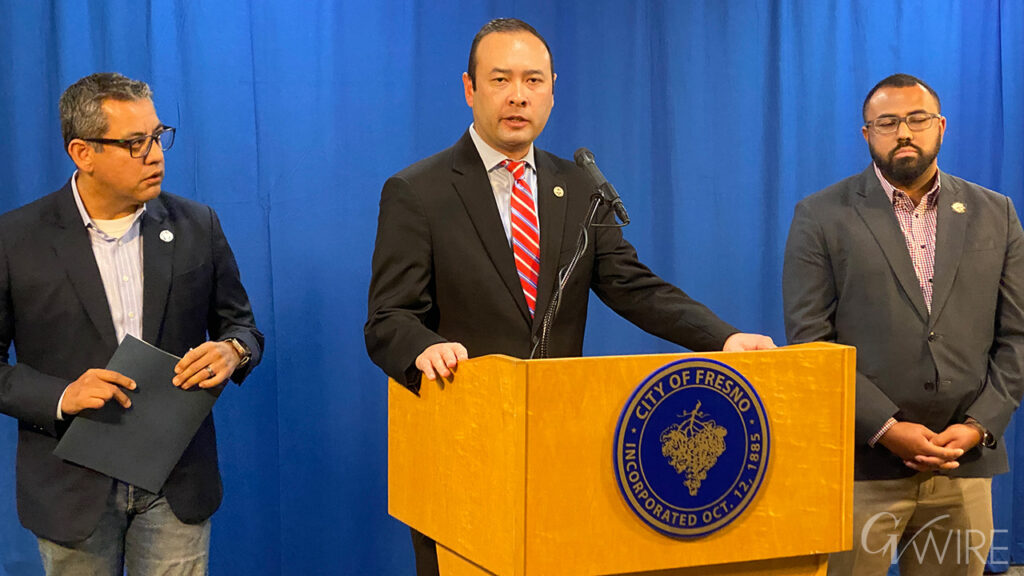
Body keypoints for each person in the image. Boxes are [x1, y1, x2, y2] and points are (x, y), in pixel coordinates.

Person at [365, 18, 775, 576]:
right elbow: (388, 318)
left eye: (533, 81)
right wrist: (421, 346)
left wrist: (722, 337)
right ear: (469, 88)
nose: (517, 96)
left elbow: (632, 285)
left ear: (552, 89)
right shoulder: (419, 190)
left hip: (560, 444)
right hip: (462, 442)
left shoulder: (579, 187)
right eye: (500, 79)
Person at [0, 72, 263, 575]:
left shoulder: (197, 225)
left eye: (158, 137)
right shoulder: (15, 241)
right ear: (83, 153)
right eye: (134, 144)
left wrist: (234, 351)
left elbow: (242, 326)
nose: (156, 154)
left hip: (176, 481)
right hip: (71, 487)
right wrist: (61, 397)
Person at [783, 73, 1024, 575]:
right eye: (887, 122)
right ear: (866, 133)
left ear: (941, 127)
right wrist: (887, 428)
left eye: (917, 119)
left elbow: (1016, 336)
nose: (904, 132)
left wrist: (979, 426)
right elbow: (811, 340)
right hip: (861, 465)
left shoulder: (995, 213)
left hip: (964, 465)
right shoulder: (820, 216)